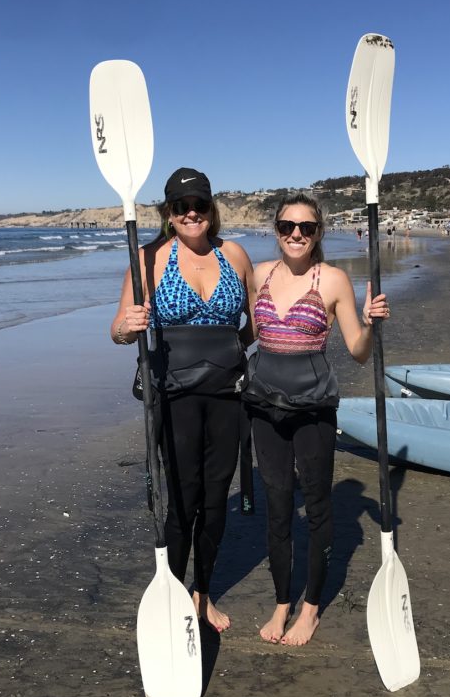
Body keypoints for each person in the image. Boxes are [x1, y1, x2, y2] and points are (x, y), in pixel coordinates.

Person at [110, 168, 254, 632]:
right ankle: (171, 592)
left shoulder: (233, 254)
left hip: (227, 394)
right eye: (181, 206)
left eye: (199, 205)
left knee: (216, 500)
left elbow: (251, 322)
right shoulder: (147, 257)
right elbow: (116, 330)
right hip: (174, 397)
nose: (191, 213)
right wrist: (128, 326)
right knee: (183, 502)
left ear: (212, 210)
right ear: (168, 213)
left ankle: (202, 593)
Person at [243, 193, 389, 646]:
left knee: (317, 505)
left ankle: (310, 610)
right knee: (278, 508)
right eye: (288, 226)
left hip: (313, 409)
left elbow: (360, 354)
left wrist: (370, 324)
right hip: (263, 406)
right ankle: (282, 601)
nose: (296, 235)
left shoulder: (335, 281)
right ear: (277, 230)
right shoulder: (260, 275)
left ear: (318, 232)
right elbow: (245, 333)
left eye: (306, 228)